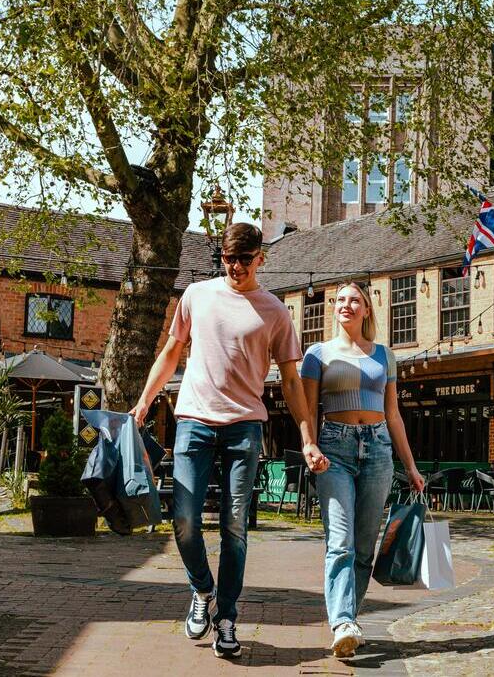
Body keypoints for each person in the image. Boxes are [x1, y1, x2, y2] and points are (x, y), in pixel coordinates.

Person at [132, 223, 325, 660]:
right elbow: (170, 352)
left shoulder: (275, 311)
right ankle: (203, 589)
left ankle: (228, 618)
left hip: (244, 429)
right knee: (183, 518)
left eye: (244, 258)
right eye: (228, 258)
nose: (235, 266)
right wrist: (144, 402)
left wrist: (307, 436)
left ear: (261, 258)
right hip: (194, 422)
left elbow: (292, 381)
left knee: (235, 525)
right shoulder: (197, 296)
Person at [300, 282, 426, 659]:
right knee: (340, 541)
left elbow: (393, 415)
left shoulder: (385, 356)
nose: (346, 305)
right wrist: (311, 445)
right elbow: (307, 410)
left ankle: (349, 625)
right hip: (334, 448)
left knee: (363, 547)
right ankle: (341, 621)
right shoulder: (316, 354)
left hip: (378, 450)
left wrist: (411, 467)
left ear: (367, 310)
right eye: (340, 300)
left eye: (354, 300)